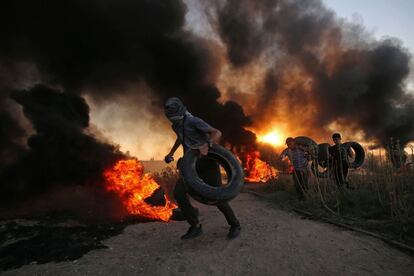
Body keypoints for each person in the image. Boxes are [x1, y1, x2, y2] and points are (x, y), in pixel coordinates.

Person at [164, 97, 241, 240]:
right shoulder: (176, 125)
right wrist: (171, 153)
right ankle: (195, 225)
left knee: (218, 197)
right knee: (179, 193)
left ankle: (235, 224)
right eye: (171, 119)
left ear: (181, 112)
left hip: (207, 163)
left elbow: (217, 132)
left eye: (175, 118)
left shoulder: (194, 121)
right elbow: (181, 137)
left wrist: (207, 144)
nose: (174, 121)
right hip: (190, 165)